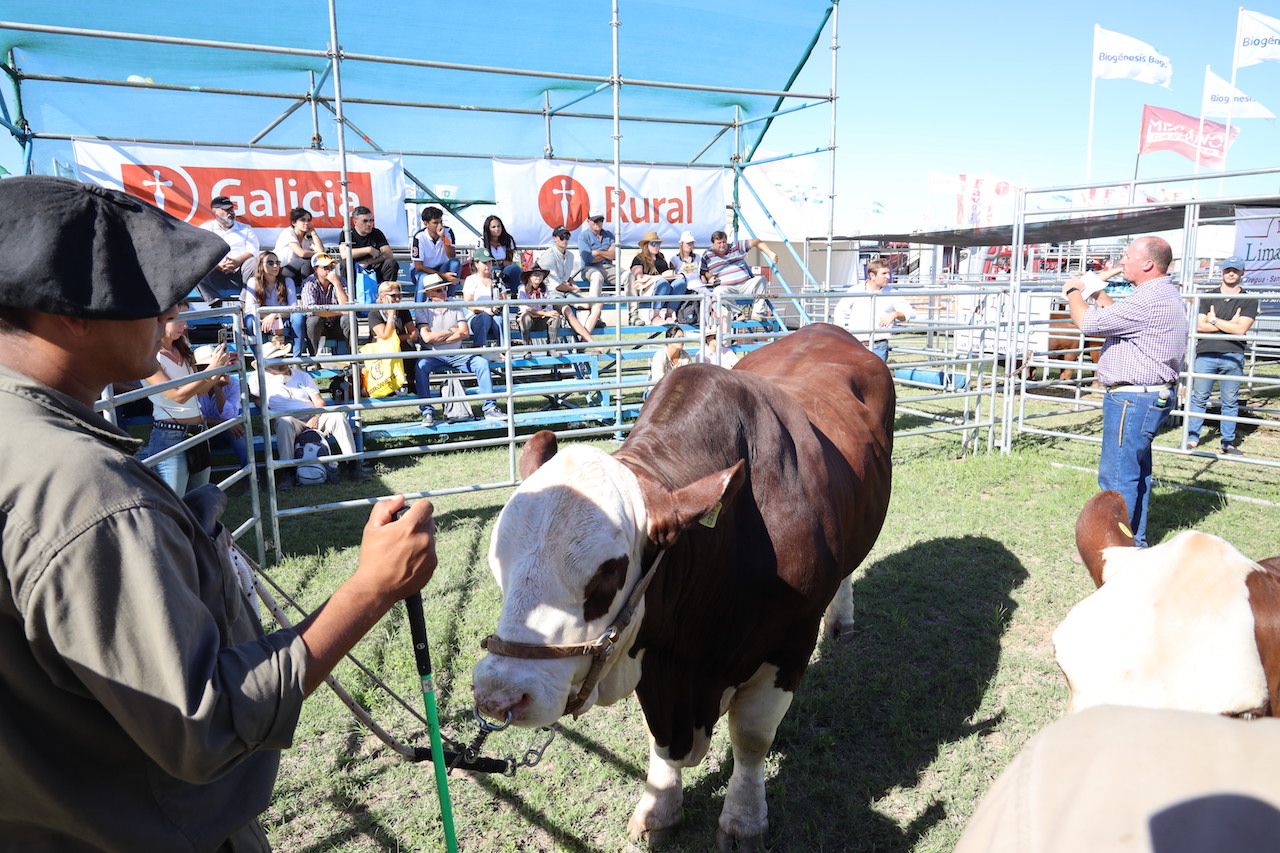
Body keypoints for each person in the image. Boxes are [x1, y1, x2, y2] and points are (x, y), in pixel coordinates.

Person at [0, 175, 436, 851]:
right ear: (70, 310)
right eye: (149, 286)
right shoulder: (84, 490)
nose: (175, 304)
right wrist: (371, 587)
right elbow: (205, 721)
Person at [1061, 236, 1187, 547]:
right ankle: (1137, 543)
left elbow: (1088, 323)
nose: (1122, 262)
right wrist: (1100, 294)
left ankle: (1118, 551)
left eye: (1127, 256)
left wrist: (1073, 292)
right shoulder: (1163, 295)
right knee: (1137, 475)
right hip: (1150, 396)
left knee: (1117, 479)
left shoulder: (1147, 299)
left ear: (1147, 263)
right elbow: (1123, 320)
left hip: (1133, 399)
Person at [250, 339, 373, 489]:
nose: (280, 361)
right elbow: (257, 399)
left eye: (281, 357)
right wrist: (267, 411)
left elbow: (319, 401)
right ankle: (288, 472)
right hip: (289, 421)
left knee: (337, 416)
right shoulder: (257, 378)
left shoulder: (302, 376)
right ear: (266, 364)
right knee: (284, 422)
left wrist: (316, 416)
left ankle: (353, 465)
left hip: (313, 416)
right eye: (275, 359)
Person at [141, 303, 235, 495]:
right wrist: (212, 369)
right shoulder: (148, 356)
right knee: (176, 506)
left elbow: (200, 391)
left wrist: (219, 368)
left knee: (199, 501)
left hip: (198, 433)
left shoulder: (184, 350)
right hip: (170, 437)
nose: (184, 326)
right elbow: (178, 395)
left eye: (185, 319)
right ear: (159, 321)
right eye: (179, 319)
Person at [412, 274, 507, 428]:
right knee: (421, 367)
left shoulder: (454, 304)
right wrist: (451, 331)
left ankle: (490, 407)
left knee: (481, 363)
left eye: (445, 288)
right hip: (433, 354)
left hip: (455, 354)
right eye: (439, 290)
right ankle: (427, 411)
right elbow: (427, 337)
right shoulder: (422, 308)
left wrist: (441, 338)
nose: (444, 292)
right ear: (429, 293)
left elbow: (465, 333)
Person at [1186, 256, 1257, 455]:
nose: (1231, 273)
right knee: (1199, 398)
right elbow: (1199, 325)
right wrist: (1230, 325)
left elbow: (1241, 330)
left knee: (1230, 401)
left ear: (1242, 272)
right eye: (1228, 270)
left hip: (1233, 353)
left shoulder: (1249, 299)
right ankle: (1192, 439)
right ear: (1222, 272)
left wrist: (1214, 320)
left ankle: (1227, 442)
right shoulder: (1207, 296)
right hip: (1206, 352)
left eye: (1235, 270)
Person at [832, 259, 916, 361]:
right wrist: (841, 334)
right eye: (884, 274)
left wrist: (895, 314)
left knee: (876, 377)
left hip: (879, 346)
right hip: (856, 344)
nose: (888, 277)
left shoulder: (892, 293)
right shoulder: (855, 290)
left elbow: (910, 313)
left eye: (888, 273)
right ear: (872, 275)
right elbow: (840, 310)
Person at [699, 230, 777, 321]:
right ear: (713, 244)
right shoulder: (707, 255)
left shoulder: (735, 246)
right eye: (719, 243)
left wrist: (770, 253)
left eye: (724, 242)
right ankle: (738, 313)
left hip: (745, 285)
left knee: (761, 279)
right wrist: (710, 277)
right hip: (727, 288)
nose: (722, 245)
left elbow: (756, 241)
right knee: (718, 291)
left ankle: (757, 312)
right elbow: (703, 272)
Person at [195, 342, 249, 472]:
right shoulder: (193, 386)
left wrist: (217, 388)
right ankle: (194, 480)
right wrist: (224, 423)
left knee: (237, 435)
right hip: (200, 431)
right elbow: (195, 419)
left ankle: (252, 478)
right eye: (207, 367)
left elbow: (230, 416)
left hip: (223, 431)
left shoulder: (233, 385)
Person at [199, 194, 261, 303]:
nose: (230, 212)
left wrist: (236, 262)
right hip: (214, 274)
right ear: (215, 211)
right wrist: (217, 264)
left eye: (231, 208)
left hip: (239, 273)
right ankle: (213, 300)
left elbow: (253, 250)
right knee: (197, 264)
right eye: (225, 210)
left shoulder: (245, 229)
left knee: (254, 262)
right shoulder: (205, 229)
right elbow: (200, 252)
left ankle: (245, 299)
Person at [242, 250, 305, 357]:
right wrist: (269, 317)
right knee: (249, 320)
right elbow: (250, 309)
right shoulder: (253, 282)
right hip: (262, 320)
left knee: (298, 317)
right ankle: (261, 358)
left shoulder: (287, 281)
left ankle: (297, 360)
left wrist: (275, 315)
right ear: (261, 265)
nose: (275, 266)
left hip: (284, 319)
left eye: (278, 263)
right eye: (270, 263)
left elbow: (293, 308)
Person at [299, 251, 353, 357]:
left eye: (331, 267)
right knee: (313, 321)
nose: (329, 271)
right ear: (315, 269)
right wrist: (339, 311)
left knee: (348, 319)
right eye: (325, 268)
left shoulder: (340, 280)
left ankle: (351, 359)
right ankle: (314, 359)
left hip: (336, 325)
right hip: (320, 327)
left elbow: (347, 308)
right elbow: (312, 311)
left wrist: (337, 284)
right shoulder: (309, 283)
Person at [629, 230, 685, 323]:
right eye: (653, 243)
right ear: (646, 245)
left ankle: (669, 314)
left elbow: (665, 273)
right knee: (662, 283)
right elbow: (639, 276)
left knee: (680, 282)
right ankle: (655, 315)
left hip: (665, 286)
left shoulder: (661, 257)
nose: (656, 246)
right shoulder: (638, 258)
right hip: (649, 288)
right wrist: (658, 278)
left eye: (658, 243)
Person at [462, 247, 508, 351]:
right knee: (484, 318)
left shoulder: (497, 279)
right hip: (476, 316)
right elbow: (468, 303)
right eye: (484, 263)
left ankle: (504, 350)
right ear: (476, 264)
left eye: (489, 262)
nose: (488, 265)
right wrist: (485, 309)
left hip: (494, 315)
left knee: (499, 320)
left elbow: (505, 300)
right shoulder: (471, 280)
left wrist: (497, 306)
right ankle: (478, 349)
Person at [339, 205, 399, 284]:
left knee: (391, 263)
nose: (369, 224)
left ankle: (387, 291)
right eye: (365, 221)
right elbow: (344, 254)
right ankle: (348, 292)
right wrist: (367, 250)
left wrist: (368, 262)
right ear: (355, 222)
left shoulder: (376, 233)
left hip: (373, 267)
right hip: (355, 269)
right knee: (345, 263)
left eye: (371, 220)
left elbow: (388, 254)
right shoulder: (347, 234)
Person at [410, 206, 462, 295]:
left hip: (441, 267)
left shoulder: (447, 232)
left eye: (441, 222)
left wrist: (443, 238)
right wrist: (442, 275)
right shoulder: (419, 237)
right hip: (423, 271)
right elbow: (419, 266)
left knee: (455, 263)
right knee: (423, 278)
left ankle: (449, 298)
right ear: (426, 224)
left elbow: (451, 256)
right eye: (435, 223)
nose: (439, 226)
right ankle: (419, 307)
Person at [516, 266, 562, 349]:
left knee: (555, 316)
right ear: (529, 277)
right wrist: (542, 313)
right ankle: (526, 348)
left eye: (541, 274)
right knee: (525, 317)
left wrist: (539, 314)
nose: (538, 277)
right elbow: (524, 308)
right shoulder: (522, 288)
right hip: (528, 321)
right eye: (535, 274)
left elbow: (549, 307)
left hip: (540, 319)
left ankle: (552, 347)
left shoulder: (544, 289)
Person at [273, 206, 323, 284]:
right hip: (281, 270)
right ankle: (308, 287)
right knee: (306, 261)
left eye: (309, 220)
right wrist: (317, 252)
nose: (306, 223)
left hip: (298, 271)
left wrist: (313, 233)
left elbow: (321, 251)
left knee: (320, 262)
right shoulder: (288, 233)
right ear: (294, 223)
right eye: (303, 220)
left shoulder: (308, 235)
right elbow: (301, 253)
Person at [478, 214, 524, 296]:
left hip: (506, 269)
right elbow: (481, 259)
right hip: (490, 268)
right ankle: (497, 298)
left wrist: (502, 263)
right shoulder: (482, 241)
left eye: (499, 226)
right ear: (488, 228)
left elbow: (510, 260)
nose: (497, 229)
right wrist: (499, 262)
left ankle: (516, 296)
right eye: (494, 227)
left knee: (514, 268)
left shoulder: (508, 239)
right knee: (495, 270)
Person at [577, 210, 617, 303]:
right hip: (589, 268)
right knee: (597, 276)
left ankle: (633, 313)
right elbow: (588, 258)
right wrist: (607, 253)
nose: (599, 223)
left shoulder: (609, 235)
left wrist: (598, 252)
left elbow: (615, 255)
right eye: (596, 220)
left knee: (629, 276)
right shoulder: (583, 236)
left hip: (608, 268)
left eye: (601, 220)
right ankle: (595, 312)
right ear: (589, 221)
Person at [646, 325, 693, 398]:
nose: (682, 340)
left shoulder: (686, 357)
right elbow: (658, 381)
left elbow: (689, 379)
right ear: (669, 339)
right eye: (678, 337)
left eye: (683, 337)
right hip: (656, 390)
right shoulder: (660, 356)